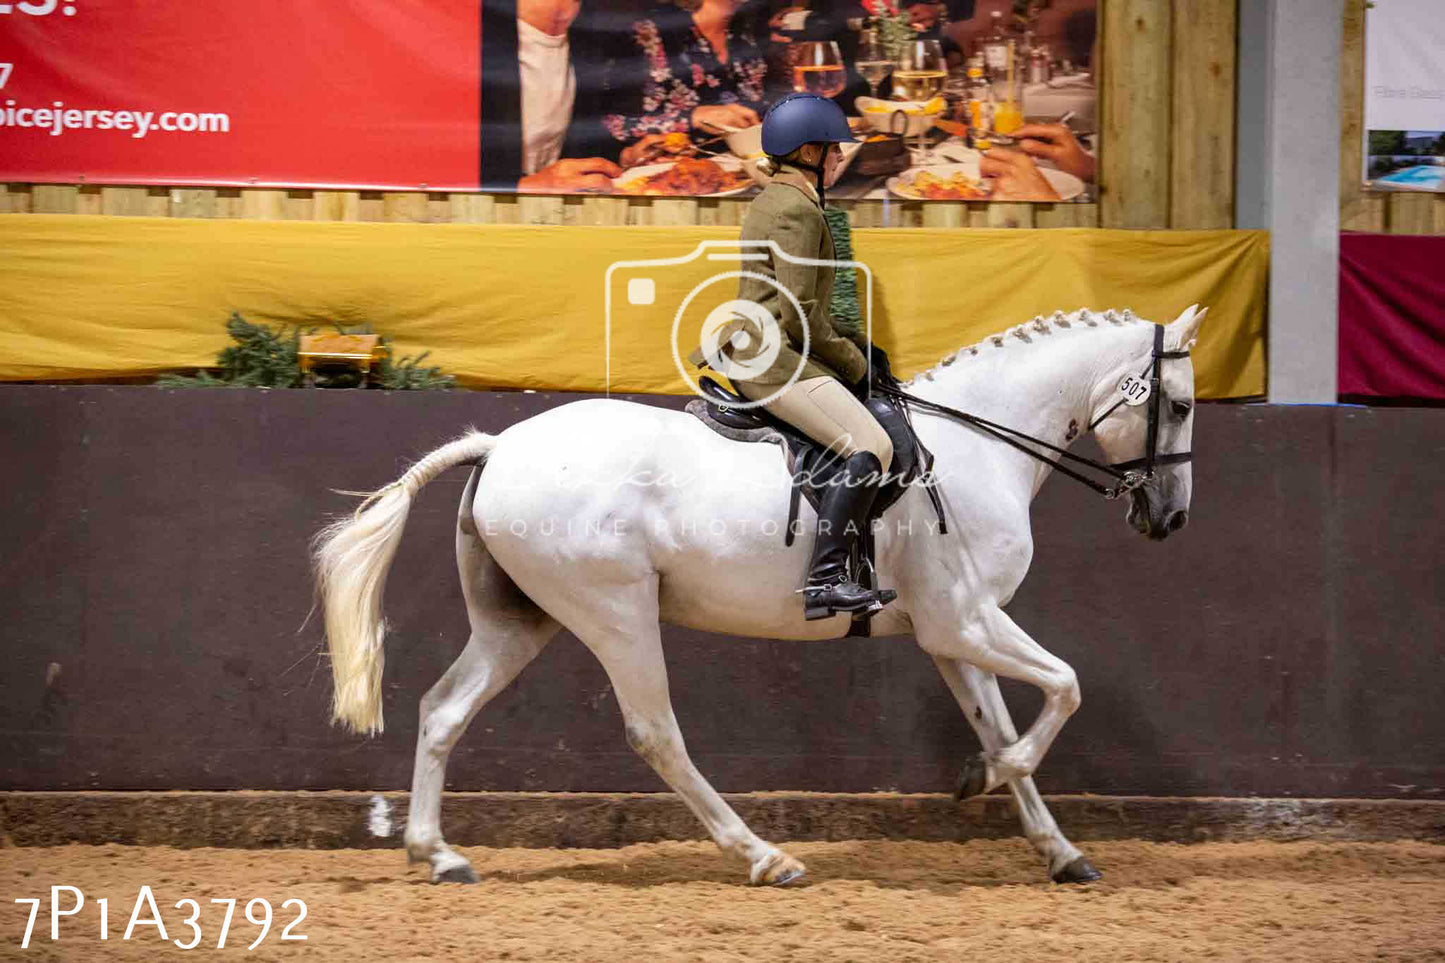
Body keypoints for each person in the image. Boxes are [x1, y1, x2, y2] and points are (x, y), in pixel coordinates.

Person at [690, 92, 896, 620]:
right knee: (870, 445)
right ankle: (825, 580)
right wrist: (855, 363)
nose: (839, 158)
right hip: (772, 355)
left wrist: (858, 348)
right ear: (807, 151)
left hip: (775, 344)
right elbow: (799, 313)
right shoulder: (794, 210)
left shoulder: (787, 197)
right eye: (832, 150)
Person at [480, 0, 624, 191]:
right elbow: (437, 169)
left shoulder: (587, 34)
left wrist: (624, 158)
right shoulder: (467, 26)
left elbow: (577, 143)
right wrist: (526, 188)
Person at [601, 0, 766, 154]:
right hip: (665, 176)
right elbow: (615, 125)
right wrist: (693, 117)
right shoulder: (646, 35)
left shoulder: (744, 34)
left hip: (742, 173)